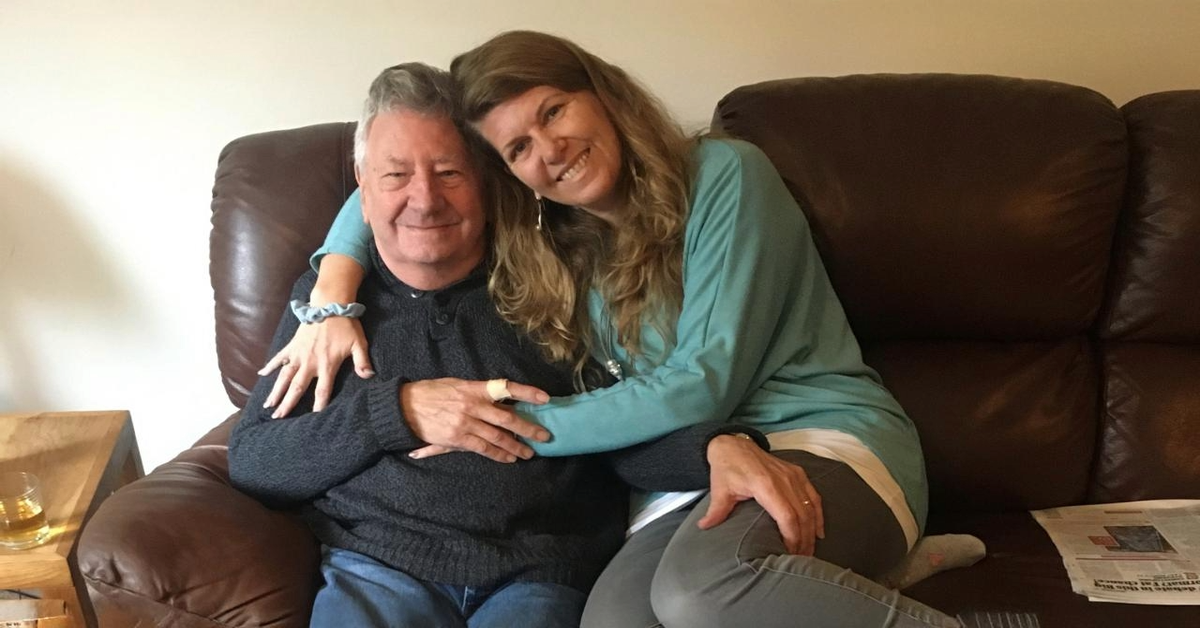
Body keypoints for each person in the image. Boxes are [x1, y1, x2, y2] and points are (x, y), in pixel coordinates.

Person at [266, 34, 991, 628]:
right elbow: (406, 182)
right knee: (610, 623)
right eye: (517, 148)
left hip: (817, 437)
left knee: (699, 593)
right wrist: (335, 282)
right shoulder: (555, 243)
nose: (546, 151)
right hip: (682, 469)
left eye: (554, 111)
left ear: (604, 94)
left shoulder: (725, 176)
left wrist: (492, 423)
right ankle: (860, 581)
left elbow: (702, 384)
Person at [228, 62, 777, 628]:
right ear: (362, 190)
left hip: (540, 572)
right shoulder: (324, 311)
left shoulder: (552, 285)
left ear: (488, 181)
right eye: (395, 176)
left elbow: (610, 426)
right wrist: (397, 411)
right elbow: (255, 461)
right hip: (378, 570)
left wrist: (706, 449)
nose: (425, 199)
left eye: (448, 172)